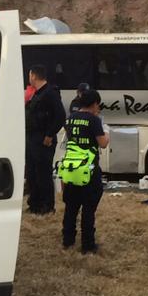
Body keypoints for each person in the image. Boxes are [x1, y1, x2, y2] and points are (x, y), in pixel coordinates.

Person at [62, 89, 109, 253]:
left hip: (71, 169)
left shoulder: (70, 119)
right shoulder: (94, 120)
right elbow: (102, 143)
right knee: (88, 208)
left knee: (71, 207)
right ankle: (87, 244)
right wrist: (107, 132)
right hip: (89, 170)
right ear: (95, 103)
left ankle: (67, 240)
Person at [25, 65, 65, 214]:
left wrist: (49, 134)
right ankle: (34, 203)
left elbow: (60, 116)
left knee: (43, 173)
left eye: (30, 75)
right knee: (31, 172)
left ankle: (47, 206)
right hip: (31, 138)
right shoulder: (36, 94)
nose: (29, 78)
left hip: (43, 139)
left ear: (34, 76)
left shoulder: (50, 93)